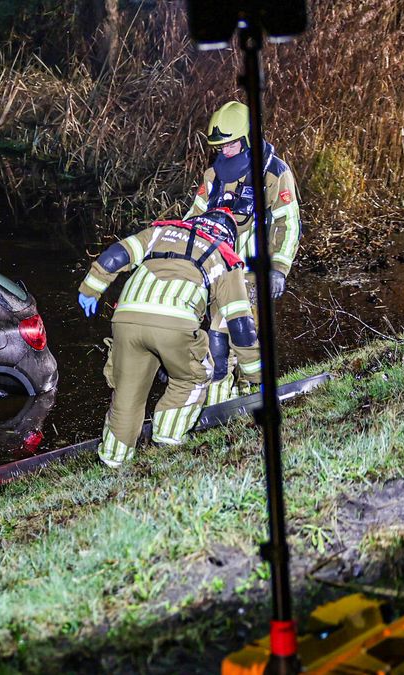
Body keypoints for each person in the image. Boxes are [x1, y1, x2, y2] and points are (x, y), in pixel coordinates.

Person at [77, 208, 263, 467]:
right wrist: (255, 375)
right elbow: (240, 324)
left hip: (126, 319)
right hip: (175, 322)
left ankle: (113, 460)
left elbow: (117, 254)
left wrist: (91, 288)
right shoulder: (225, 257)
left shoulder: (161, 231)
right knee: (193, 377)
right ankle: (167, 439)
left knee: (127, 394)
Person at [185, 100, 302, 299]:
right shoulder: (213, 175)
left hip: (252, 275)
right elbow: (194, 218)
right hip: (215, 271)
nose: (225, 151)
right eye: (221, 146)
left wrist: (279, 269)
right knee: (215, 330)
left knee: (245, 329)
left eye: (231, 144)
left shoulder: (274, 173)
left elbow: (288, 223)